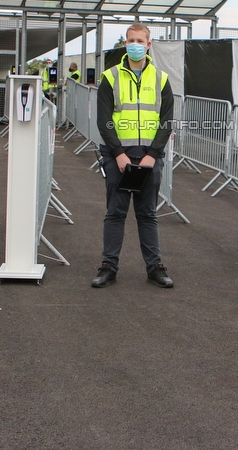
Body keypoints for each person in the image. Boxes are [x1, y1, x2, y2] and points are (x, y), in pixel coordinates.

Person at [91, 22, 174, 289]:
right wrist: (118, 154)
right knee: (115, 213)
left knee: (147, 214)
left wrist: (152, 154)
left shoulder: (161, 78)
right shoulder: (110, 77)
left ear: (149, 45)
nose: (135, 44)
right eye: (130, 40)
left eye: (140, 40)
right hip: (119, 159)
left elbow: (166, 121)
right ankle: (108, 267)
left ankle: (155, 267)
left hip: (149, 159)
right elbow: (104, 121)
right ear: (124, 43)